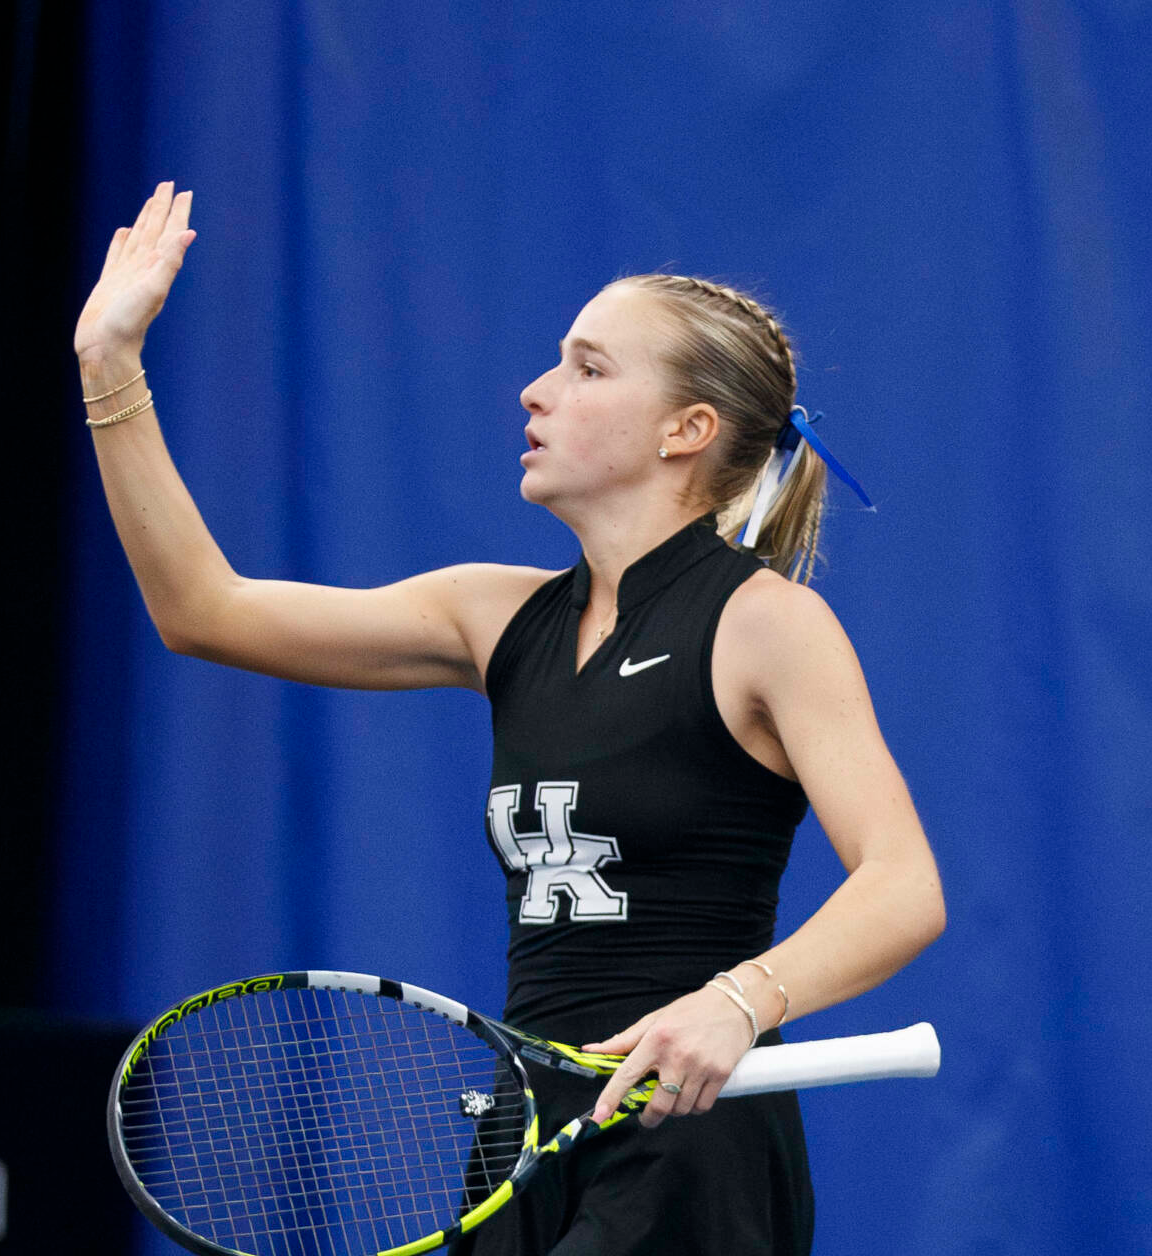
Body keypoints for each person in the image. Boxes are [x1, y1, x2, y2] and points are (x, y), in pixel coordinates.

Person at [71, 183, 944, 1254]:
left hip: (691, 1142)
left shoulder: (766, 622)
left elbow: (904, 884)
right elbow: (202, 611)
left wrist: (738, 1002)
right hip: (526, 1134)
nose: (536, 390)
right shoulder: (493, 615)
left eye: (588, 368)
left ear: (686, 429)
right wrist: (109, 364)